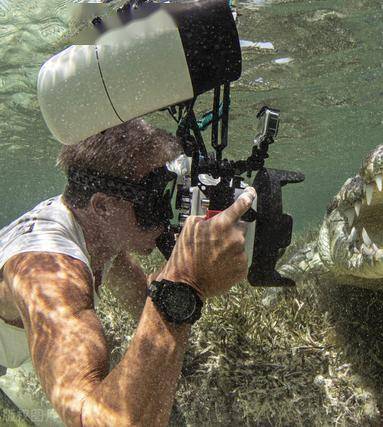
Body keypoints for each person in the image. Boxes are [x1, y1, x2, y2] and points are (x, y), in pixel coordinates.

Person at [0, 118, 255, 426]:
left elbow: (138, 298)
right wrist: (184, 285)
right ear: (103, 206)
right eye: (153, 202)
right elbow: (97, 421)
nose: (165, 218)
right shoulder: (48, 272)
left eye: (169, 194)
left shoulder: (96, 232)